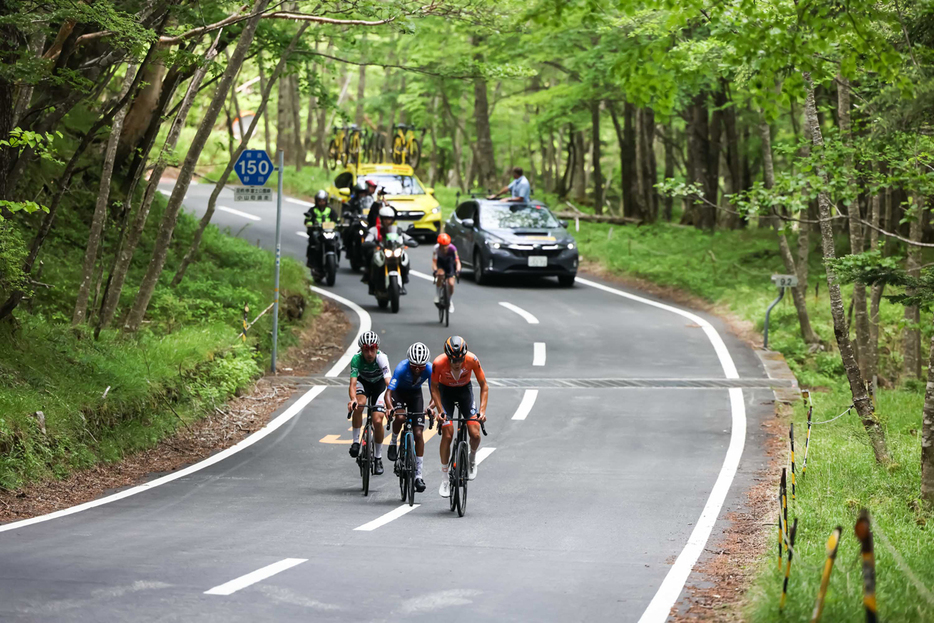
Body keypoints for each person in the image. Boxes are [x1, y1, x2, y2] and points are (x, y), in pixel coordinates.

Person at [429, 336, 489, 497]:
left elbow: (484, 386)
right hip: (446, 392)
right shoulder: (438, 363)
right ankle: (444, 479)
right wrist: (440, 411)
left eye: (460, 359)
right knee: (447, 434)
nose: (457, 363)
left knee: (475, 433)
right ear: (447, 357)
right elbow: (434, 388)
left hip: (464, 392)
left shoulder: (472, 360)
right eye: (453, 360)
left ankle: (471, 458)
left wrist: (482, 411)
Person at [385, 342, 434, 493]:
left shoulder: (430, 369)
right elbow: (388, 393)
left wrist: (431, 408)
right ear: (409, 363)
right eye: (414, 366)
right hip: (399, 393)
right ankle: (393, 442)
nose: (418, 369)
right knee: (400, 417)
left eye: (421, 366)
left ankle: (418, 476)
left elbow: (435, 395)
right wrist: (390, 408)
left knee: (419, 433)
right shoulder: (401, 368)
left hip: (415, 395)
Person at [347, 331, 392, 475]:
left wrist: (389, 405)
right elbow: (353, 384)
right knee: (359, 405)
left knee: (378, 420)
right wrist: (353, 399)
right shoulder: (356, 359)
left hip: (379, 386)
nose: (370, 353)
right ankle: (355, 441)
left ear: (377, 348)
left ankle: (378, 458)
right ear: (361, 349)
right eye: (366, 349)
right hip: (363, 383)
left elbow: (388, 382)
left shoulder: (382, 358)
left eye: (373, 348)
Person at [362, 205, 411, 294]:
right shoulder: (375, 230)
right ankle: (370, 280)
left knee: (405, 257)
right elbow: (368, 239)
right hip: (380, 251)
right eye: (385, 218)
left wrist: (410, 241)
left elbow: (405, 237)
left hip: (394, 250)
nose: (387, 221)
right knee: (371, 256)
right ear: (381, 218)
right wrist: (370, 243)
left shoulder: (397, 230)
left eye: (389, 219)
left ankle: (404, 279)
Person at [304, 190, 339, 271]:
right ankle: (311, 262)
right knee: (313, 243)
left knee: (337, 243)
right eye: (319, 200)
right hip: (317, 231)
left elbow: (336, 219)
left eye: (323, 200)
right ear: (316, 201)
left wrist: (338, 224)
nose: (321, 202)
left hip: (329, 230)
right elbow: (308, 219)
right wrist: (310, 224)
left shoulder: (330, 210)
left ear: (326, 201)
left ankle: (335, 261)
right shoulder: (312, 210)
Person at [432, 233, 461, 313]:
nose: (444, 248)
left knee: (451, 284)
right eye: (442, 246)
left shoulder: (453, 249)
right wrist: (435, 270)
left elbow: (457, 262)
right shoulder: (436, 248)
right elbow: (434, 262)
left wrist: (458, 270)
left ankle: (449, 301)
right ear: (439, 245)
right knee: (440, 274)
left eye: (446, 245)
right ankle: (437, 295)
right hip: (440, 263)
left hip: (449, 263)